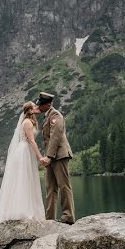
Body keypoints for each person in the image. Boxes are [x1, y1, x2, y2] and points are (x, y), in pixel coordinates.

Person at [0, 101, 48, 224]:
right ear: (29, 110)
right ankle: (23, 210)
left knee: (27, 179)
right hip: (24, 151)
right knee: (24, 179)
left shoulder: (29, 121)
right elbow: (32, 141)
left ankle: (29, 209)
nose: (37, 107)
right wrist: (40, 157)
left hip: (25, 151)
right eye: (34, 106)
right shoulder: (28, 122)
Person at [35, 92, 75, 224]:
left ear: (48, 105)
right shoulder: (47, 116)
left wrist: (49, 157)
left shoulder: (56, 116)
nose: (39, 107)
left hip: (60, 155)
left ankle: (68, 216)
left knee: (64, 186)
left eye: (41, 105)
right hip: (52, 157)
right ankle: (49, 218)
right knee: (50, 187)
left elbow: (55, 137)